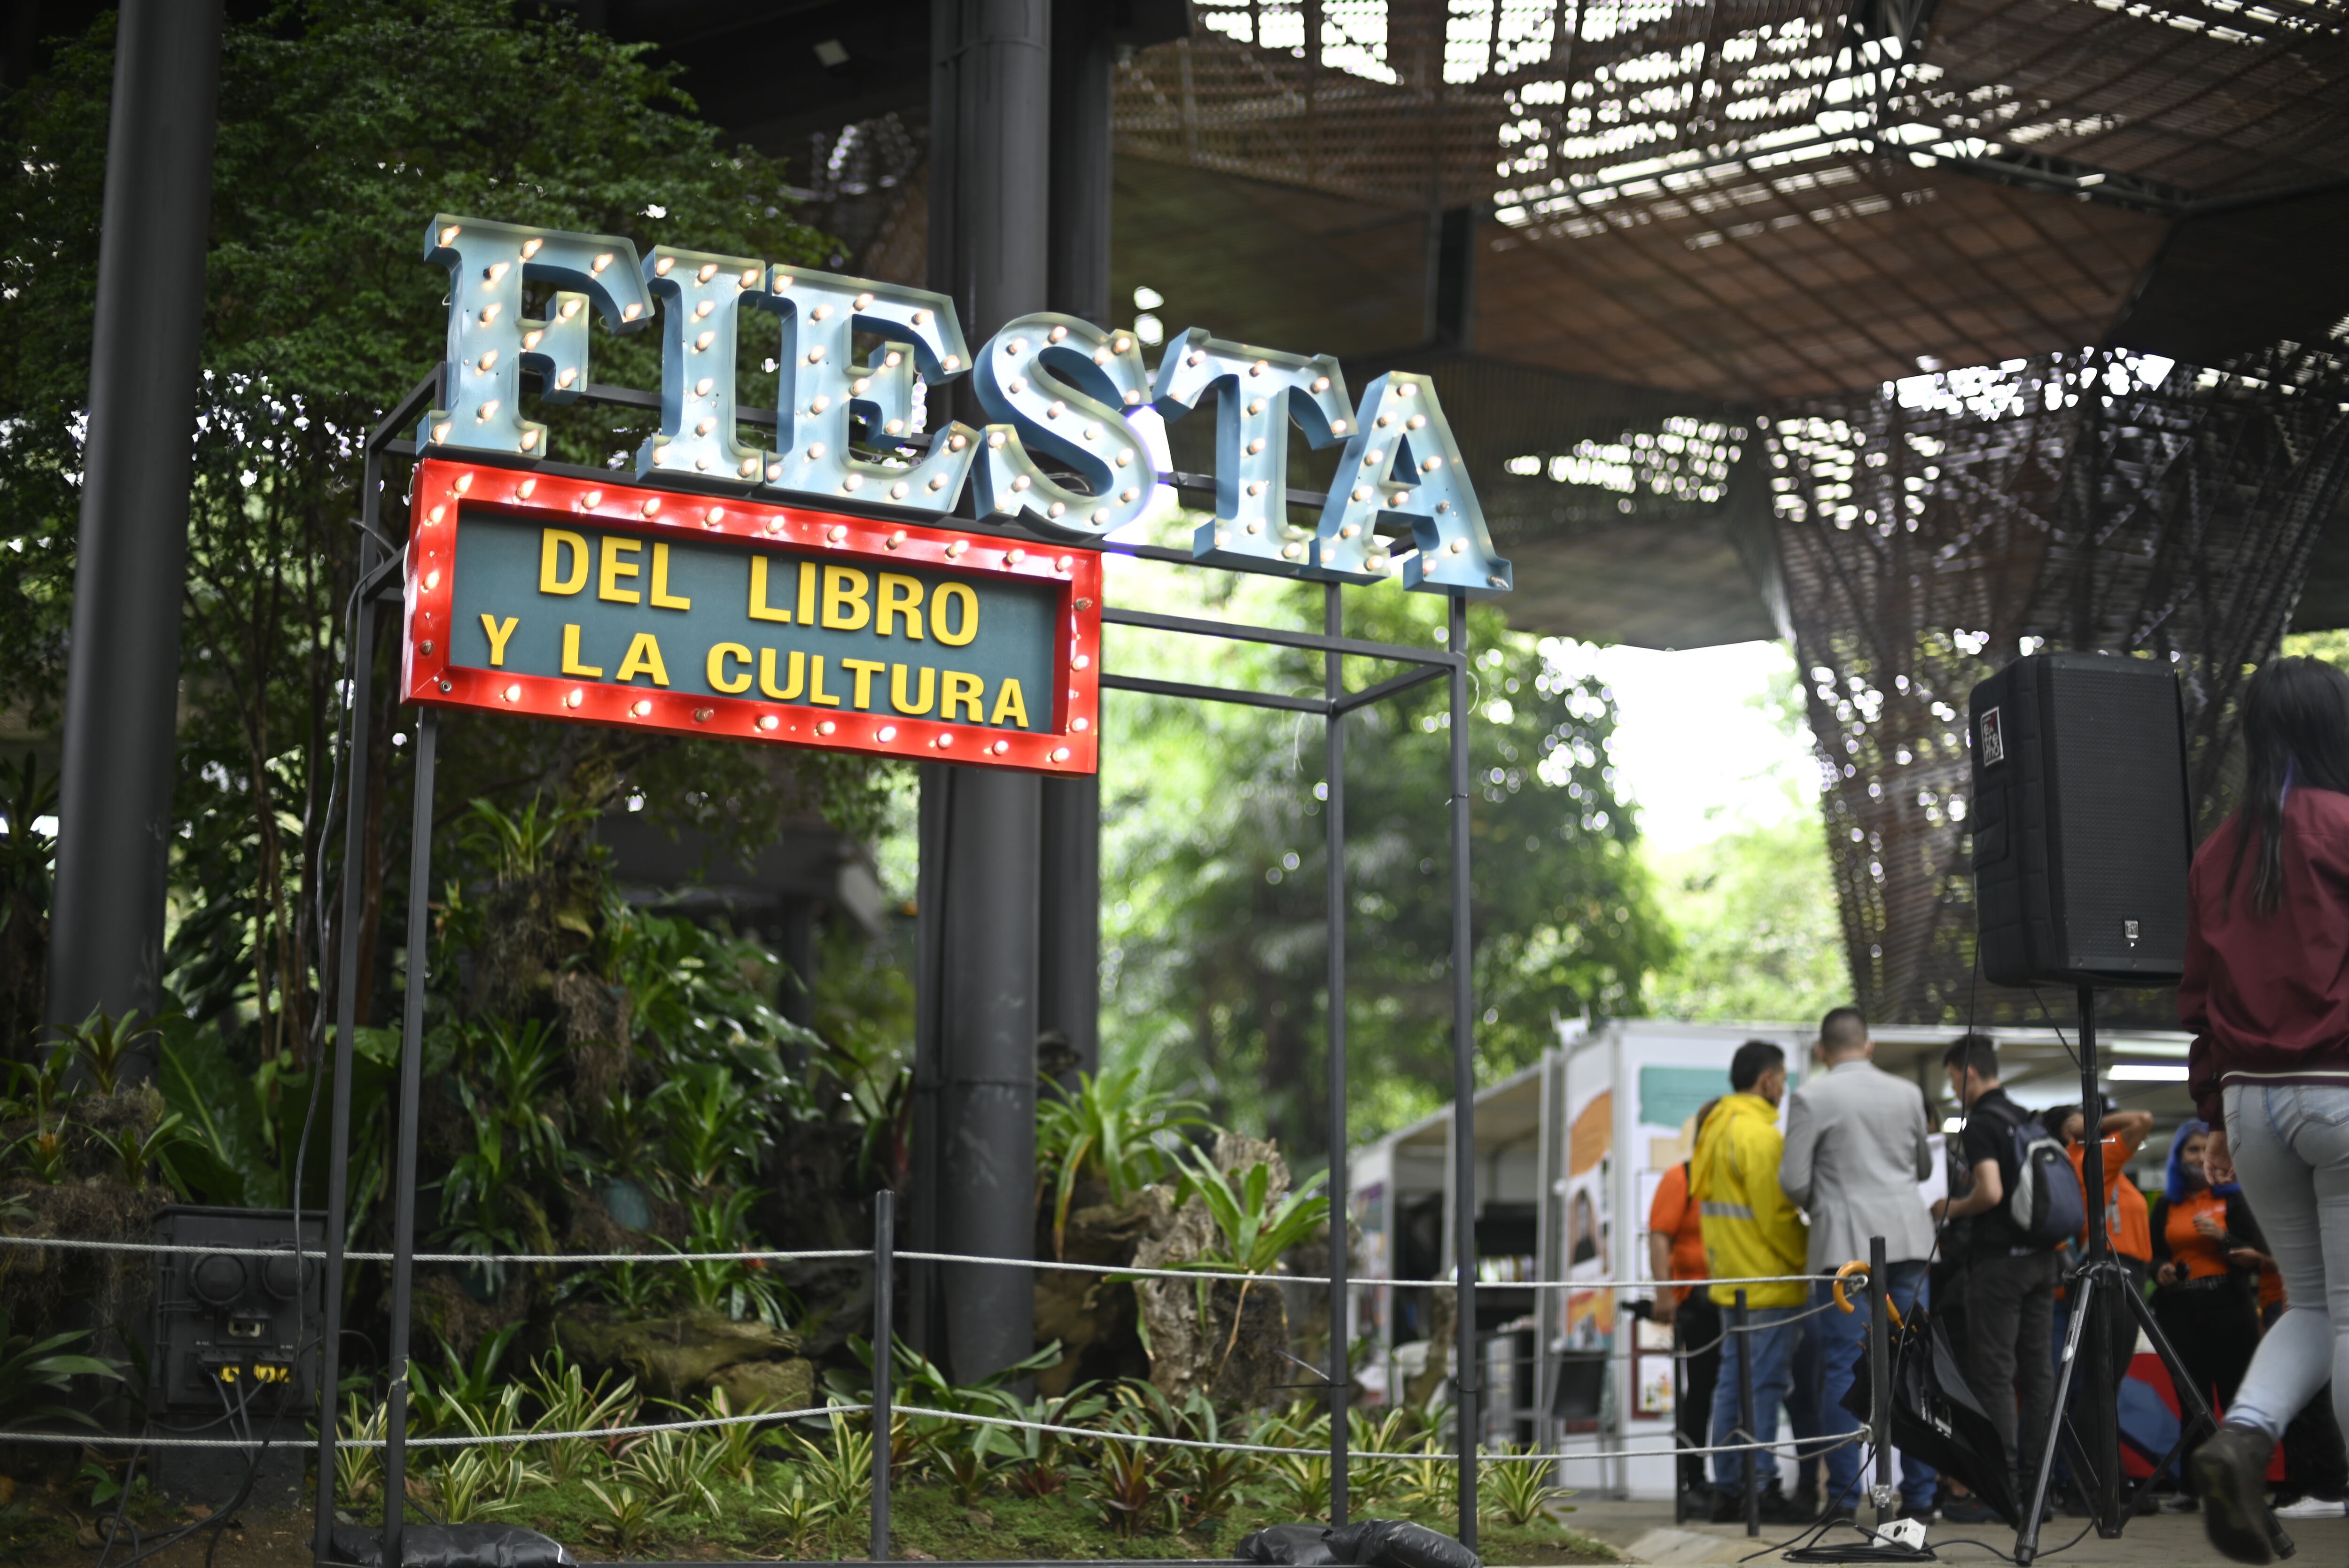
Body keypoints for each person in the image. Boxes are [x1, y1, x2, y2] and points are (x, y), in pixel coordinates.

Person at [2182, 655, 2349, 1563]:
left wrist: (2213, 1111)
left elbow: (2198, 999)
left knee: (2315, 1301)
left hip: (2250, 1108)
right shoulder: (2347, 826)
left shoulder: (2217, 851)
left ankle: (2241, 1438)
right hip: (2343, 1092)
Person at [1779, 1006, 1938, 1523]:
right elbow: (1921, 1167)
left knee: (1845, 1369)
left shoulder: (1810, 1096)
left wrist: (1829, 1194)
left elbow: (1792, 1182)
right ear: (1868, 1045)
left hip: (1844, 1248)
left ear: (1823, 1051)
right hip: (1910, 1239)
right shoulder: (1908, 1093)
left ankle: (1845, 1498)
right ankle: (1919, 1496)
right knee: (1911, 1365)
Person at [1931, 1032, 2057, 1522]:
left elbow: (1989, 1190)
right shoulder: (2025, 1117)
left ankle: (2001, 1490)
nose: (1953, 1089)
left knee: (1994, 1375)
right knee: (2038, 1374)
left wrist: (1950, 1207)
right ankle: (2038, 1488)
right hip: (2042, 1260)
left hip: (1998, 1265)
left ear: (1966, 1072)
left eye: (1951, 1079)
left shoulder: (1981, 1123)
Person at [1694, 1039, 1812, 1523]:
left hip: (1732, 1281)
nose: (1783, 1089)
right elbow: (1778, 1215)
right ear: (1766, 1080)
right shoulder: (1759, 1135)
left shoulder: (1715, 1128)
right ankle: (1759, 1489)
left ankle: (1727, 1487)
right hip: (1768, 1281)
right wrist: (1811, 1261)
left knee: (1730, 1387)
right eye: (1782, 1079)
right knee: (1761, 1387)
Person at [2149, 1120, 2267, 1508]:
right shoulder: (2167, 1204)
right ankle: (2192, 1490)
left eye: (2204, 1150)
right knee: (2192, 1403)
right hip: (2181, 1310)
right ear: (2179, 1156)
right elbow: (2154, 1255)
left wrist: (2224, 1239)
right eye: (2191, 1150)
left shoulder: (2234, 1198)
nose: (2199, 1157)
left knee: (2235, 1399)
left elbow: (2257, 1252)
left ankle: (2244, 1489)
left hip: (2229, 1308)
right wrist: (2160, 1269)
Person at [1650, 1098, 1722, 1513]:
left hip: (1739, 1299)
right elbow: (1660, 1236)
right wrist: (1665, 1295)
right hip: (1698, 1302)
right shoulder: (1682, 1177)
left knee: (1734, 1390)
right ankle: (1693, 1481)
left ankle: (1736, 1480)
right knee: (1700, 1392)